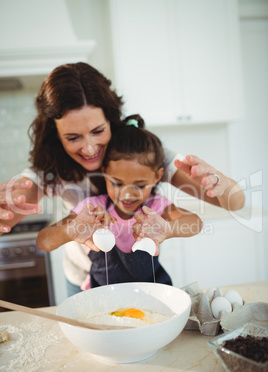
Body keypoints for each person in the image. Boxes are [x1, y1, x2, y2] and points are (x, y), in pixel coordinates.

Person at [0, 62, 245, 296]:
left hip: (146, 283)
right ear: (57, 134)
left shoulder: (142, 154)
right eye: (73, 137)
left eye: (97, 131)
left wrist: (220, 182)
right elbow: (31, 231)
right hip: (85, 282)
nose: (88, 148)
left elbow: (235, 202)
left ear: (111, 120)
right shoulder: (50, 167)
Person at [36, 119, 203, 289]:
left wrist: (169, 229)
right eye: (117, 183)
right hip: (103, 304)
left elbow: (196, 223)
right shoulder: (92, 209)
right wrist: (70, 230)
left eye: (139, 185)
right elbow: (44, 242)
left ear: (157, 177)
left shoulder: (157, 207)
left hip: (152, 298)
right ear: (104, 172)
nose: (127, 194)